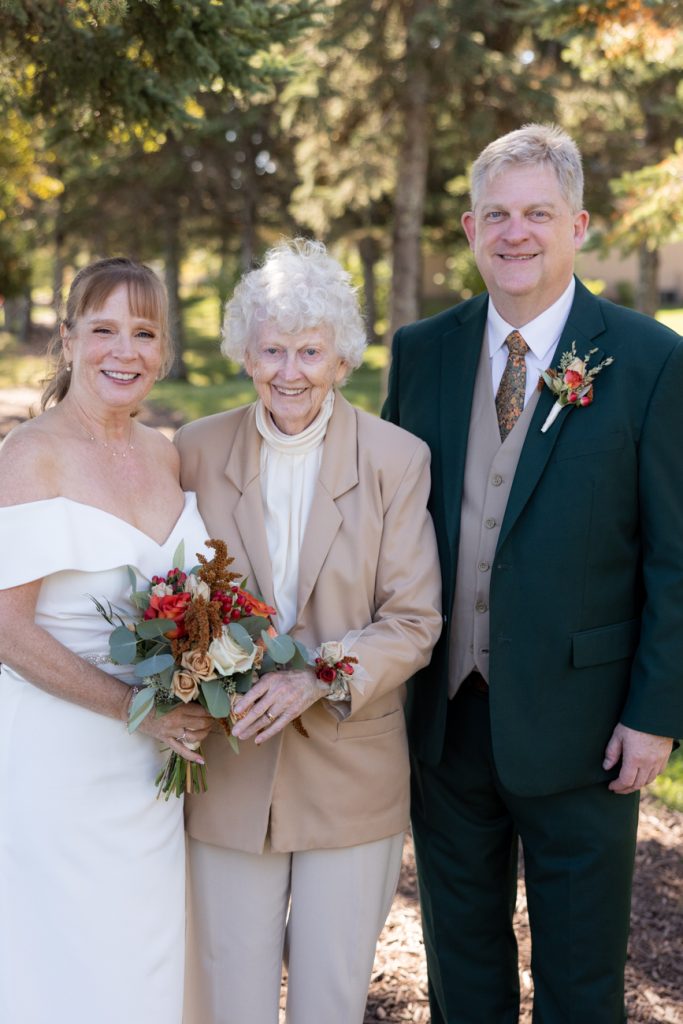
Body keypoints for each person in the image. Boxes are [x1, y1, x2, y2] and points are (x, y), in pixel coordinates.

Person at [382, 123, 683, 1023]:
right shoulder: (421, 351)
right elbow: (389, 525)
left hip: (587, 728)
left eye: (537, 214)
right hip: (445, 721)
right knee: (460, 965)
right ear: (470, 230)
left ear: (577, 225)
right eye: (496, 215)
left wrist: (654, 714)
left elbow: (674, 556)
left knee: (581, 980)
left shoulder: (649, 359)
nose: (515, 233)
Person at [175, 238, 442, 1024]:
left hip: (351, 768)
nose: (289, 372)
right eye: (271, 350)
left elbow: (414, 619)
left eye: (309, 352)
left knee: (330, 996)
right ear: (245, 354)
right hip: (229, 765)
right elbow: (169, 594)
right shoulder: (193, 450)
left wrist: (316, 675)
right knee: (228, 997)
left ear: (342, 359)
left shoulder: (396, 458)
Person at [0, 257, 214, 1024]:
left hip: (150, 772)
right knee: (65, 965)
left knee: (140, 965)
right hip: (58, 767)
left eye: (144, 333)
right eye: (103, 330)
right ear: (67, 340)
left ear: (163, 350)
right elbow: (6, 629)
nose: (125, 351)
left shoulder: (165, 453)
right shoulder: (31, 455)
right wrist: (138, 709)